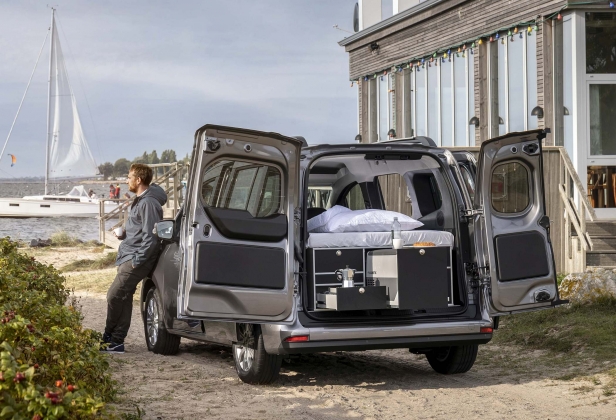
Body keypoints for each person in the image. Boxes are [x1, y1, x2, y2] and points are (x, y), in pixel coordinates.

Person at [101, 164, 167, 353]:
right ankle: (116, 342)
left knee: (114, 295)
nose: (126, 180)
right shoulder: (140, 200)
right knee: (124, 297)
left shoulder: (148, 203)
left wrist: (138, 260)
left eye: (129, 177)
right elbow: (140, 230)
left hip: (136, 258)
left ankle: (109, 336)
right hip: (129, 255)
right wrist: (124, 234)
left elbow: (151, 237)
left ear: (138, 180)